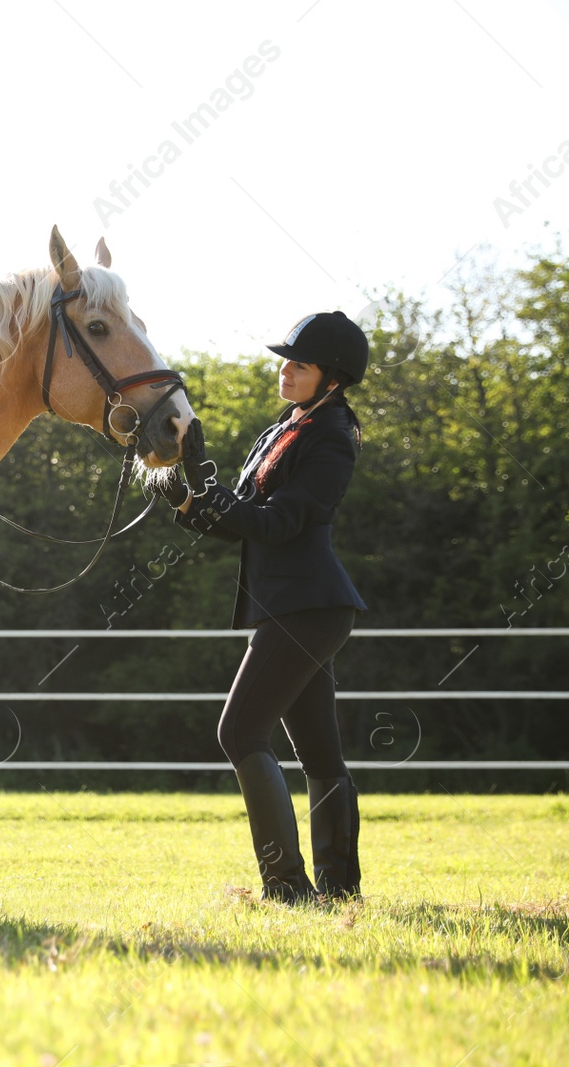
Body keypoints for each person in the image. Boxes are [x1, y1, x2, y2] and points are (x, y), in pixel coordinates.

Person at [153, 311, 370, 902]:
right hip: (292, 607)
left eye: (300, 362)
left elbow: (280, 524)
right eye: (286, 359)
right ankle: (339, 888)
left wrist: (205, 481)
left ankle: (286, 887)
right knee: (321, 751)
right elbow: (241, 520)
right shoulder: (283, 428)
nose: (286, 369)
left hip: (308, 607)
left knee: (239, 729)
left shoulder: (332, 435)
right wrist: (187, 499)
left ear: (333, 377)